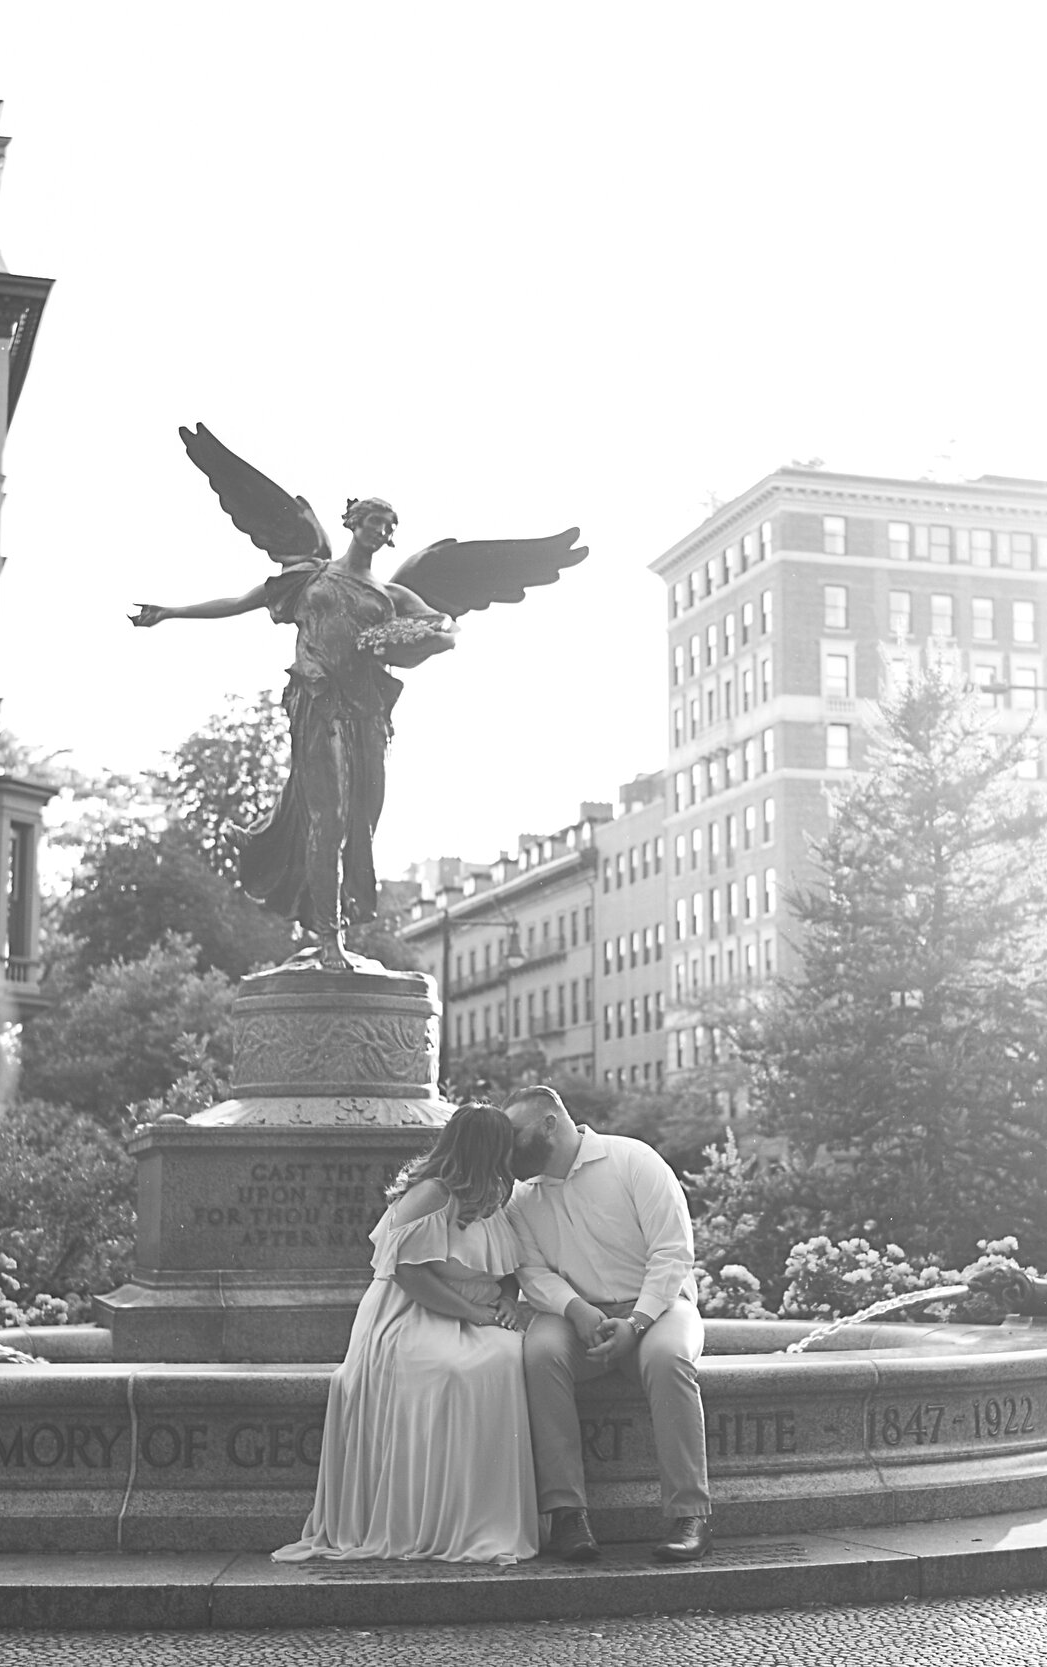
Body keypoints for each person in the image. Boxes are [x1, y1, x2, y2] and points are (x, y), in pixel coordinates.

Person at [131, 494, 456, 970]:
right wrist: (173, 611)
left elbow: (446, 630)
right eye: (372, 521)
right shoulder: (312, 576)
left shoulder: (392, 597)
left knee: (360, 822)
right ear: (352, 522)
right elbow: (240, 602)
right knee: (330, 816)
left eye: (388, 527)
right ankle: (329, 941)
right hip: (317, 702)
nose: (380, 532)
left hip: (365, 714)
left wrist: (410, 640)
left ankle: (294, 870)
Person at [272, 1103, 536, 1564]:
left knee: (511, 1356)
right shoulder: (432, 1194)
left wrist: (508, 1302)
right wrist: (473, 1314)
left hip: (477, 1310)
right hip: (412, 1313)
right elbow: (408, 1274)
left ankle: (479, 1512)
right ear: (485, 1148)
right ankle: (432, 1517)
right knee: (453, 1370)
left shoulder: (496, 1195)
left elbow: (510, 1266)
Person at [503, 1084, 712, 1564]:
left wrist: (637, 1322)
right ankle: (567, 1514)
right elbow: (530, 1271)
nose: (506, 1146)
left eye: (514, 1133)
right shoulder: (521, 1198)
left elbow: (673, 1251)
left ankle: (690, 1515)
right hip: (577, 1316)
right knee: (539, 1354)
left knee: (668, 1357)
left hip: (659, 1308)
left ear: (550, 1124)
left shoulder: (633, 1159)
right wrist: (576, 1309)